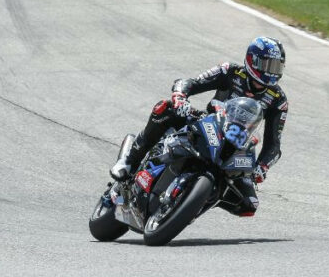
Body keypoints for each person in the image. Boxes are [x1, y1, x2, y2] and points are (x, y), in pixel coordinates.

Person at [109, 37, 289, 217]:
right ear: (253, 60)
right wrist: (180, 96)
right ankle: (129, 161)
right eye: (268, 65)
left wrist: (262, 167)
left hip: (237, 146)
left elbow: (274, 145)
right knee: (167, 109)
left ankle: (192, 204)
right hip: (209, 123)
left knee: (248, 204)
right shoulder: (230, 71)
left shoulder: (278, 100)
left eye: (276, 67)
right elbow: (190, 82)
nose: (271, 72)